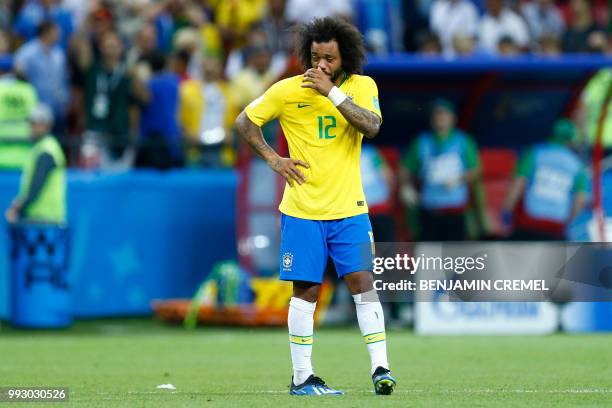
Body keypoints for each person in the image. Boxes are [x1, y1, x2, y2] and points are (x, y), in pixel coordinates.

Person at [235, 17, 395, 396]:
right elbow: (245, 121)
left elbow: (371, 126)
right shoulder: (288, 91)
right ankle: (302, 378)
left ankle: (381, 370)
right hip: (303, 211)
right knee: (306, 292)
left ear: (346, 58)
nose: (320, 65)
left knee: (364, 285)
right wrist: (275, 160)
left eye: (329, 58)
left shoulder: (361, 86)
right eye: (315, 56)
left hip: (350, 210)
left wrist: (332, 94)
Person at [399, 99, 480, 241]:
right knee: (429, 255)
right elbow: (405, 168)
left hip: (456, 209)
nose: (440, 118)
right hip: (429, 208)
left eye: (444, 114)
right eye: (437, 115)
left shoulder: (463, 141)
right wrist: (406, 186)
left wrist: (459, 179)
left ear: (452, 118)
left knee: (454, 256)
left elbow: (475, 170)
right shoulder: (422, 141)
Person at [502, 119, 588, 241]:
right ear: (570, 140)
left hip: (529, 223)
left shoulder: (535, 153)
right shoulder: (577, 165)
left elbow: (518, 184)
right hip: (556, 227)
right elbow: (580, 199)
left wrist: (506, 210)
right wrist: (569, 222)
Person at [5, 104, 65, 224]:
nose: (30, 127)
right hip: (40, 220)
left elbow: (35, 188)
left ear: (46, 126)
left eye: (34, 123)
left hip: (45, 221)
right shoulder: (41, 147)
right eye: (30, 123)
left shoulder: (47, 150)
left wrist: (16, 208)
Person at [14, 21, 69, 135]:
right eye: (55, 31)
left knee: (58, 141)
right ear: (45, 33)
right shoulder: (28, 52)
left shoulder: (58, 53)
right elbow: (18, 69)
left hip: (57, 109)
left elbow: (63, 79)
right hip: (37, 108)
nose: (59, 34)